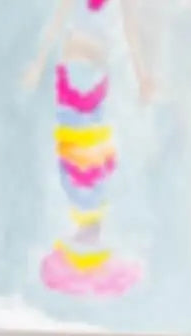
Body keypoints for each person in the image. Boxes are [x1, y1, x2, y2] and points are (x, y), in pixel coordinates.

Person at [22, 0, 154, 297]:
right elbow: (56, 22)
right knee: (76, 153)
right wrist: (37, 65)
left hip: (94, 78)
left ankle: (88, 235)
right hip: (72, 76)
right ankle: (84, 235)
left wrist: (142, 76)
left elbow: (131, 31)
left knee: (94, 158)